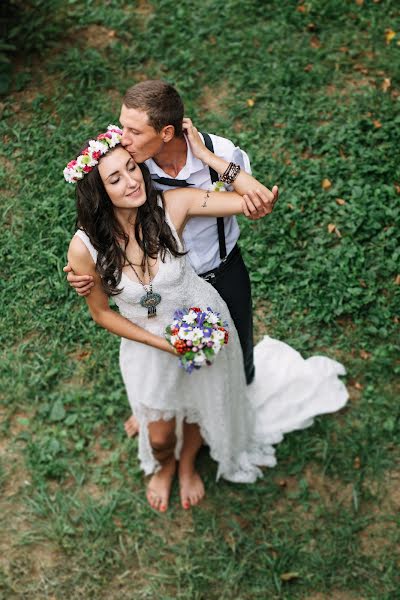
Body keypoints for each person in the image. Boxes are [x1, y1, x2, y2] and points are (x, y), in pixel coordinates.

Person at [65, 122, 348, 513]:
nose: (132, 181)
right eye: (116, 178)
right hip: (148, 345)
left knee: (201, 404)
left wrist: (211, 158)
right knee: (161, 436)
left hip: (202, 329)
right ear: (99, 193)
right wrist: (163, 345)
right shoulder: (84, 249)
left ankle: (185, 466)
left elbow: (258, 199)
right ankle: (164, 464)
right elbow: (100, 312)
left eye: (133, 167)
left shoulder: (173, 205)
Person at [64, 81, 279, 438]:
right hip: (172, 280)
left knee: (236, 343)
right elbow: (102, 209)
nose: (122, 136)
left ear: (166, 132)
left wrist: (208, 158)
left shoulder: (215, 155)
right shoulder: (134, 164)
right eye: (123, 127)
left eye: (132, 131)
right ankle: (156, 409)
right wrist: (85, 272)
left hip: (222, 270)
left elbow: (257, 201)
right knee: (164, 363)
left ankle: (233, 398)